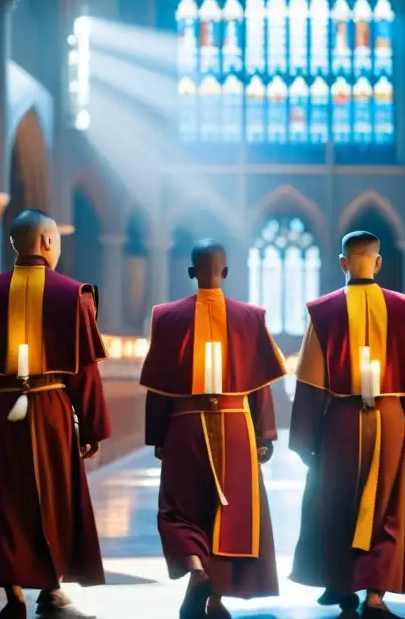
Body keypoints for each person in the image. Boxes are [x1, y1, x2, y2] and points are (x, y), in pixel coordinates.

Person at [0, 209, 110, 618]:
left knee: (5, 499)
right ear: (45, 242)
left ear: (13, 243)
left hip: (3, 409)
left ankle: (13, 591)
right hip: (52, 408)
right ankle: (52, 585)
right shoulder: (73, 294)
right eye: (56, 239)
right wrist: (91, 426)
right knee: (53, 496)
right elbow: (85, 372)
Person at [289, 230, 405, 619]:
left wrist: (306, 439)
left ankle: (341, 583)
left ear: (343, 262)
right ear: (378, 263)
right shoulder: (404, 309)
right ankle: (375, 596)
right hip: (391, 417)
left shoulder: (323, 312)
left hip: (340, 420)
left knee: (336, 501)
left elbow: (309, 381)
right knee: (386, 507)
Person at [140, 240, 286, 619]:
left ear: (191, 272)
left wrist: (158, 435)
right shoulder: (250, 317)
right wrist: (265, 434)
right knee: (229, 513)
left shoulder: (166, 317)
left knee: (179, 510)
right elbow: (260, 387)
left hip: (185, 425)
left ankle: (196, 570)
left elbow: (158, 388)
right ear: (225, 272)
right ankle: (216, 596)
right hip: (237, 424)